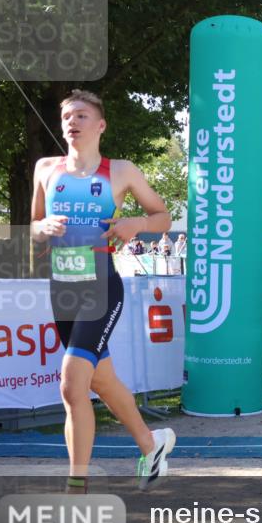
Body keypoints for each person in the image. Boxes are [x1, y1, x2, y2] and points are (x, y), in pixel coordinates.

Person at [30, 89, 175, 493]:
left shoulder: (122, 171)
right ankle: (152, 444)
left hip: (101, 286)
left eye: (80, 115)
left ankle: (76, 491)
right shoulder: (46, 168)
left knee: (71, 384)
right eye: (66, 117)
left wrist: (136, 225)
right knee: (101, 381)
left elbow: (162, 216)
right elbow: (33, 228)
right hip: (62, 288)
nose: (71, 123)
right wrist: (41, 229)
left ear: (100, 125)